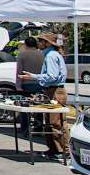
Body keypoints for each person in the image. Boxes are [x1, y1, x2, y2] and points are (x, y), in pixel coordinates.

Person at [18, 32, 70, 162]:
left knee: (56, 122)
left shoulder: (51, 56)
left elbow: (52, 76)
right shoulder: (50, 54)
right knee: (50, 122)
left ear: (47, 43)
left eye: (40, 41)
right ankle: (53, 149)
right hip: (51, 90)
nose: (38, 43)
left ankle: (62, 150)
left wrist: (34, 77)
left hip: (55, 91)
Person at [15, 37, 45, 131]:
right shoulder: (43, 54)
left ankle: (24, 126)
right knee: (39, 106)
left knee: (25, 106)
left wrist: (18, 86)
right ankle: (38, 127)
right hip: (40, 83)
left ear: (26, 45)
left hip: (27, 83)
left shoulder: (22, 55)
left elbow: (19, 71)